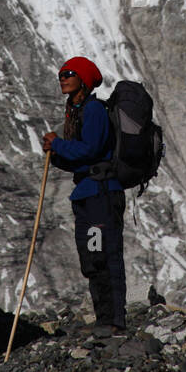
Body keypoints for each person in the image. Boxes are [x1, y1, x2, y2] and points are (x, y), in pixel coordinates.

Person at [42, 56, 127, 336]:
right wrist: (57, 154)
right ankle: (105, 320)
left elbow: (89, 150)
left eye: (69, 73)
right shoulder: (77, 111)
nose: (62, 78)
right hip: (90, 194)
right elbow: (81, 157)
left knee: (104, 255)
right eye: (61, 74)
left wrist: (59, 145)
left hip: (100, 195)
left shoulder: (93, 111)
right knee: (93, 257)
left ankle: (114, 321)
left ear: (84, 79)